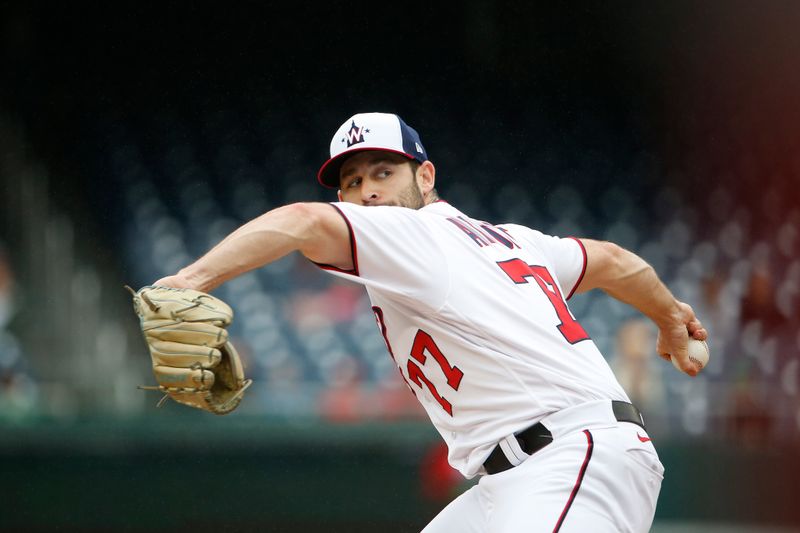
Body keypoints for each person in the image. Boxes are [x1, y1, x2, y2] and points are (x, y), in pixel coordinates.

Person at [153, 112, 707, 532]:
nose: (367, 191)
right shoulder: (513, 240)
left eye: (384, 172)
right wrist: (668, 317)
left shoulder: (413, 235)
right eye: (350, 182)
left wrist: (189, 280)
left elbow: (300, 221)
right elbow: (611, 260)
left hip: (571, 459)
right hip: (514, 478)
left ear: (426, 175)